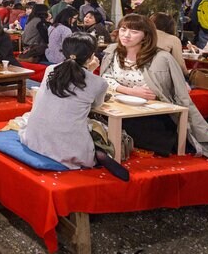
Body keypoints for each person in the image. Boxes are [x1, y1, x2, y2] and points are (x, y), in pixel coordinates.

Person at [99, 14, 208, 161]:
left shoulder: (161, 58)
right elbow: (105, 78)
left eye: (134, 31)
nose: (126, 35)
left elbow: (163, 92)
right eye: (123, 29)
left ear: (146, 35)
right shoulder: (112, 52)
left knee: (140, 129)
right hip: (119, 105)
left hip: (152, 112)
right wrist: (129, 90)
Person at [19, 34, 128, 177]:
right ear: (91, 56)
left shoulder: (50, 69)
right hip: (69, 151)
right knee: (103, 130)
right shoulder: (98, 82)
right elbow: (96, 105)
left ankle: (98, 152)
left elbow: (74, 81)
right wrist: (91, 70)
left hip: (33, 140)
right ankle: (99, 152)